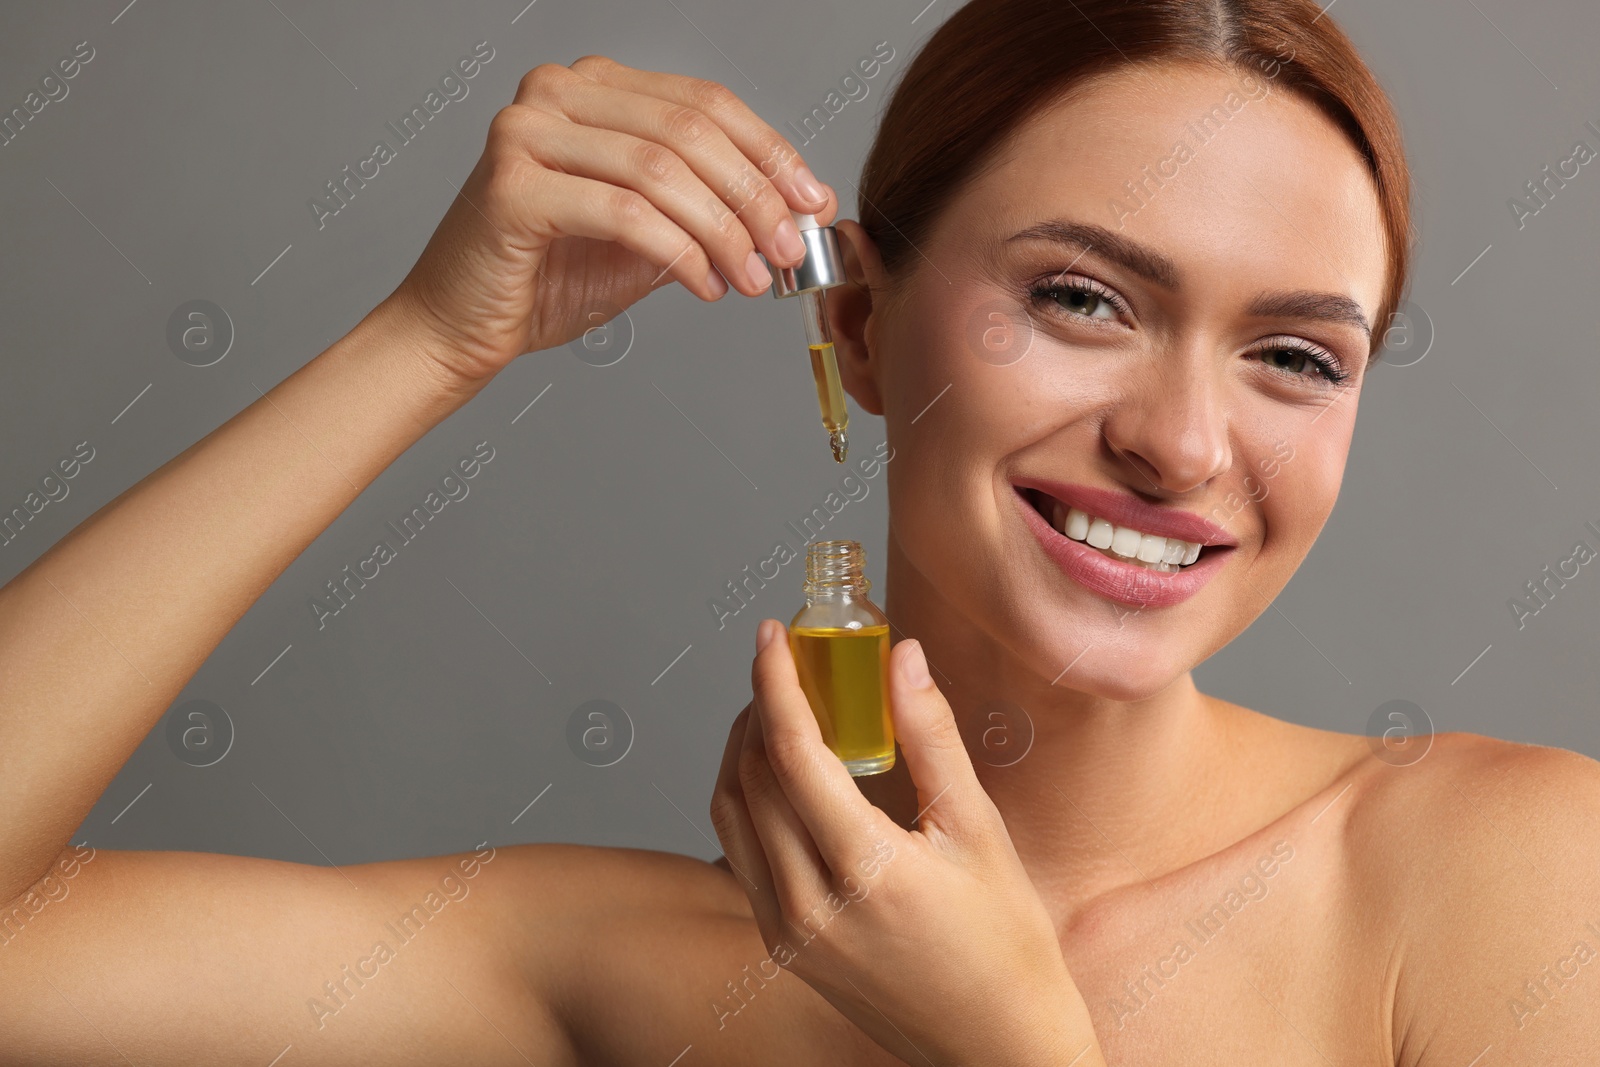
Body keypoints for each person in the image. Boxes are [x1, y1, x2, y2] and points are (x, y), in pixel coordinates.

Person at [2, 0, 1596, 1062]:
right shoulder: (624, 968)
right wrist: (428, 339)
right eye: (1082, 299)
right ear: (857, 322)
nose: (1181, 443)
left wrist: (1014, 1047)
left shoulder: (1508, 878)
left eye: (1296, 357)